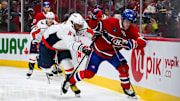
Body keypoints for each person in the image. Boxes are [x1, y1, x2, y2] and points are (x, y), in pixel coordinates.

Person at [61, 9, 146, 97]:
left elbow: (143, 41)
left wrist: (132, 44)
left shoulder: (132, 29)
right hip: (97, 52)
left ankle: (126, 88)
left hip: (112, 53)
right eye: (126, 21)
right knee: (89, 74)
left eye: (130, 22)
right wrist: (94, 18)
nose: (128, 24)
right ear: (122, 19)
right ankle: (69, 81)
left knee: (124, 68)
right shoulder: (111, 22)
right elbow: (93, 27)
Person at [37, 13, 92, 97]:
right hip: (47, 46)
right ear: (72, 23)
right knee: (46, 68)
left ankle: (70, 83)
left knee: (69, 66)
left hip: (62, 46)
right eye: (78, 25)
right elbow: (71, 44)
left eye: (80, 25)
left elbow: (87, 31)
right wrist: (82, 48)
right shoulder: (67, 28)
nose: (80, 27)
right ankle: (40, 60)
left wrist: (96, 36)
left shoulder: (78, 25)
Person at [26, 12, 60, 78]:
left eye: (52, 19)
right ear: (46, 19)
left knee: (52, 56)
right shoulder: (41, 24)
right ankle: (30, 69)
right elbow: (33, 32)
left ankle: (50, 69)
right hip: (38, 41)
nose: (50, 20)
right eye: (49, 19)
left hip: (47, 43)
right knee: (33, 56)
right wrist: (34, 40)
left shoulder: (56, 25)